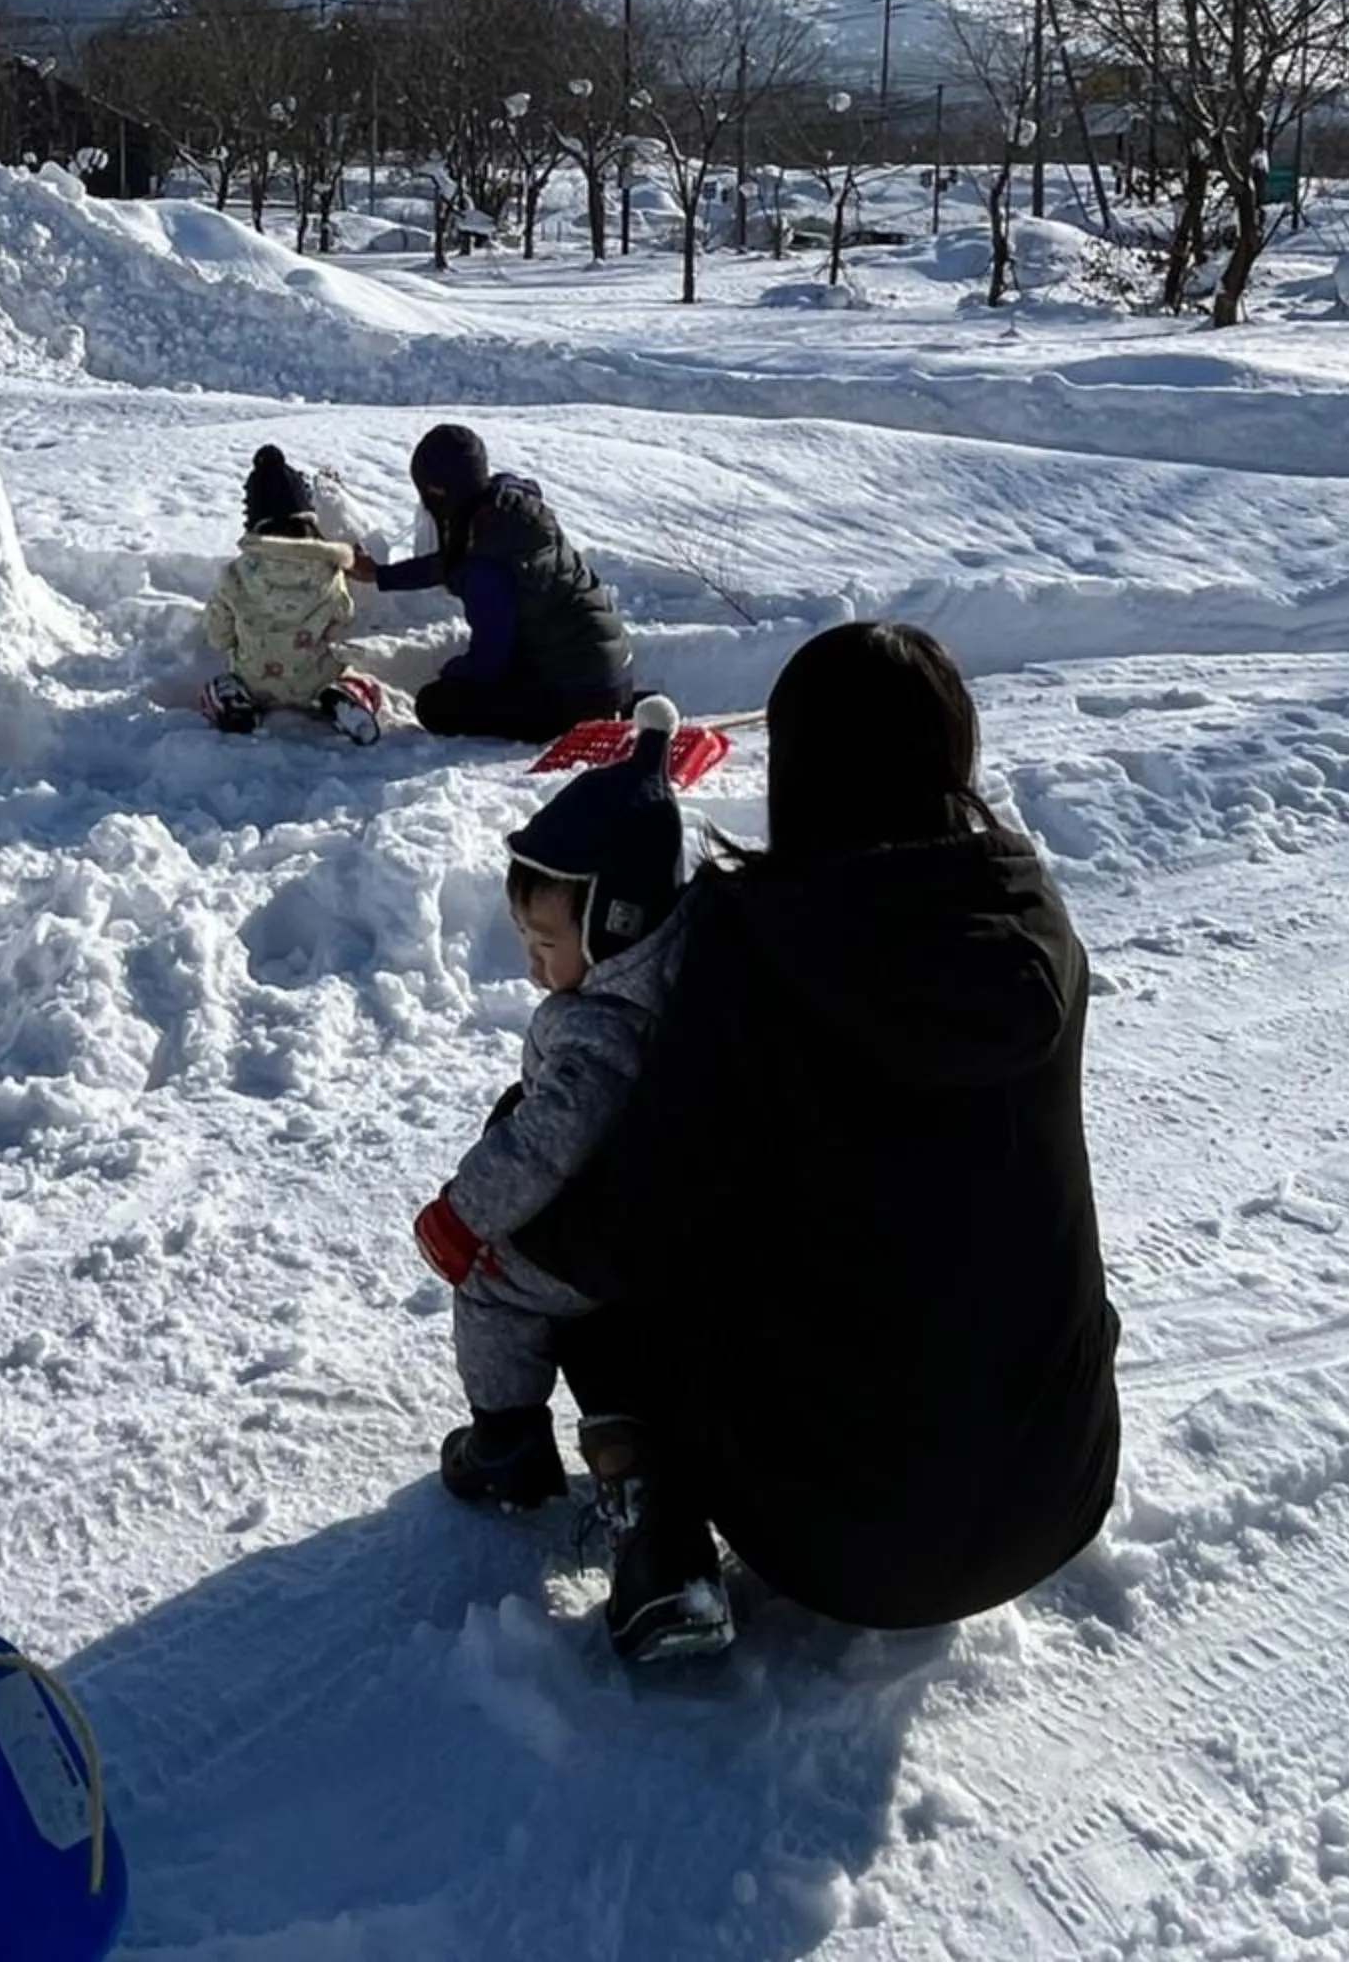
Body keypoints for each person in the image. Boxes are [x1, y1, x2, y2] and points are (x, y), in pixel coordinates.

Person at [517, 621, 1123, 1666]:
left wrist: (514, 1201)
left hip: (843, 1541)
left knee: (601, 1224)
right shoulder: (1031, 920)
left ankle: (659, 1524)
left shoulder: (758, 944)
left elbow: (641, 1223)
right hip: (1061, 1488)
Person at [413, 700, 688, 1520]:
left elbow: (546, 1141)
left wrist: (463, 1217)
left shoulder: (603, 1028)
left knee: (493, 1285)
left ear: (615, 923)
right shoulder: (665, 966)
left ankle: (506, 1443)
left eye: (546, 945)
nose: (533, 966)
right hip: (652, 1217)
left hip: (612, 1225)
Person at [360, 425, 632, 742]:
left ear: (437, 492)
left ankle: (585, 717)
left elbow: (487, 662)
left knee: (435, 704)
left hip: (577, 693)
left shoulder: (484, 568)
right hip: (610, 671)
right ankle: (619, 704)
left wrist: (451, 672)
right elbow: (453, 563)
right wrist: (381, 575)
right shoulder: (509, 509)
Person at [199, 445, 383, 744]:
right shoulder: (328, 570)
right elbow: (341, 620)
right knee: (357, 680)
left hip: (253, 679)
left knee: (221, 683)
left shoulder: (235, 575)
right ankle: (344, 697)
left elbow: (218, 637)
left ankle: (234, 705)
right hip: (315, 677)